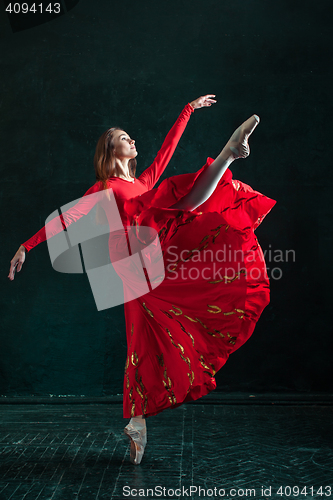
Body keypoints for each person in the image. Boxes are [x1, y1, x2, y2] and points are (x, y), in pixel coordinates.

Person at [8, 95, 276, 465]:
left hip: (156, 253)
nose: (132, 141)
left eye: (131, 137)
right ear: (109, 147)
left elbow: (168, 147)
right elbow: (65, 221)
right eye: (124, 137)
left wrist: (187, 110)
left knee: (176, 202)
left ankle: (137, 422)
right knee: (168, 203)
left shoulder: (142, 180)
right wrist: (27, 245)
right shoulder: (102, 188)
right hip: (133, 265)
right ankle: (228, 153)